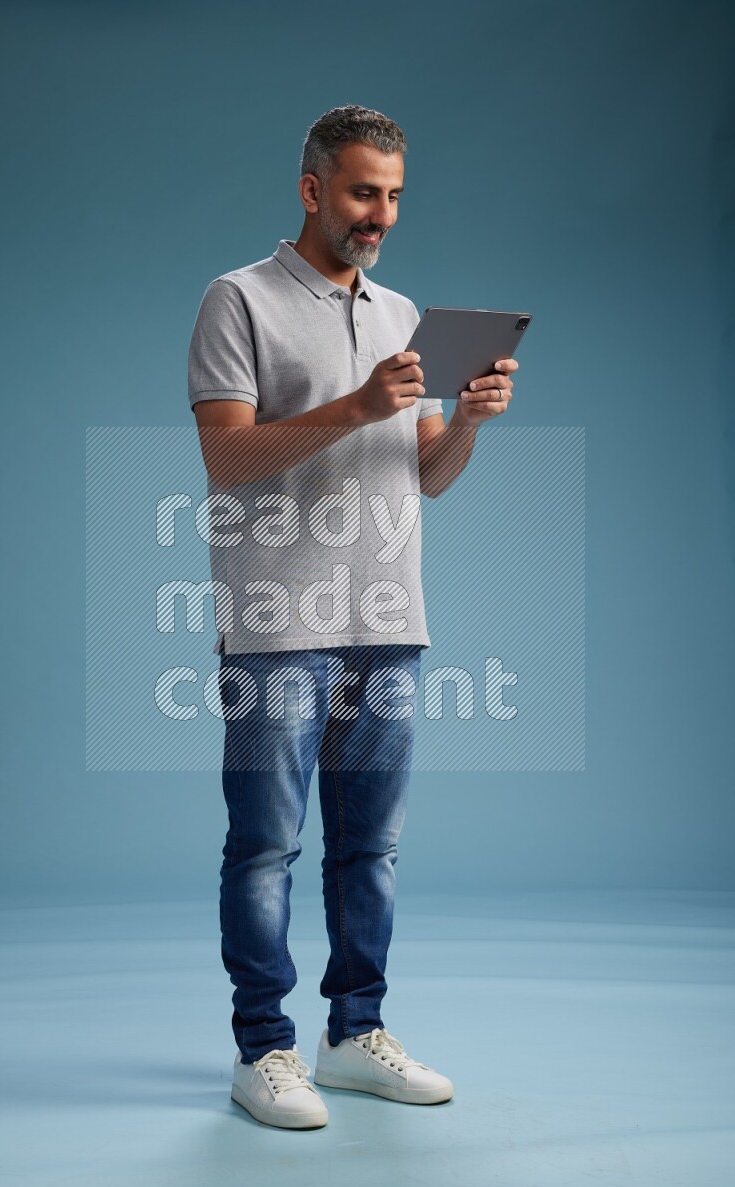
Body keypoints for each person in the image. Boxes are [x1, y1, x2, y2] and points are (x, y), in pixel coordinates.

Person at [187, 104, 518, 1130]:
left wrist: (466, 423)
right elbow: (227, 457)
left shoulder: (401, 313)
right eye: (363, 191)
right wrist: (359, 406)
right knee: (265, 846)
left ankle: (351, 1033)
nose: (381, 214)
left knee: (369, 848)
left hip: (388, 616)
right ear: (312, 189)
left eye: (394, 195)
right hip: (277, 620)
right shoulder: (237, 299)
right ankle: (263, 1048)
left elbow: (427, 476)